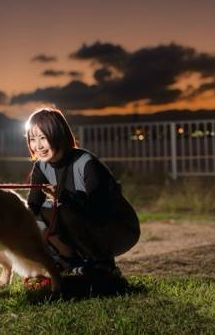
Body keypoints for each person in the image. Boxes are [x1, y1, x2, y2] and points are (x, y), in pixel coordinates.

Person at [25, 107, 140, 280]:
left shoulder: (86, 162)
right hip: (84, 228)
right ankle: (70, 262)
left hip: (118, 228)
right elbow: (33, 206)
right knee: (36, 215)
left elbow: (98, 209)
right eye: (33, 139)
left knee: (64, 210)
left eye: (43, 138)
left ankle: (104, 266)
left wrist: (62, 196)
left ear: (59, 135)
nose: (38, 146)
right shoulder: (41, 166)